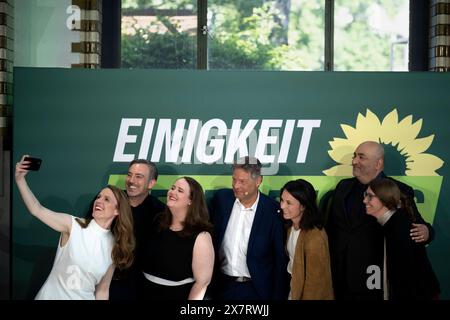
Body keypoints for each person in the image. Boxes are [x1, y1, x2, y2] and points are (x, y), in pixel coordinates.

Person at [15, 155, 134, 300]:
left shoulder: (115, 245)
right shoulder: (73, 225)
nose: (99, 201)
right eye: (99, 197)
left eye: (107, 199)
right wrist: (20, 180)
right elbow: (36, 209)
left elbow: (102, 291)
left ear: (117, 211)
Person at [326, 141, 435, 300]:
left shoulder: (398, 190)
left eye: (361, 157)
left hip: (374, 278)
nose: (354, 161)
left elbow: (414, 225)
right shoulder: (343, 187)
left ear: (378, 163)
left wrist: (427, 232)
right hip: (340, 274)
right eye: (354, 156)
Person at [209, 156, 288, 300]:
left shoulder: (272, 211)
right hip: (221, 286)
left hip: (256, 290)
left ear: (258, 181)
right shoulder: (222, 199)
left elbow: (279, 260)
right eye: (234, 179)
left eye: (242, 181)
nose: (236, 185)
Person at [364, 178, 440, 299]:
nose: (364, 200)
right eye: (365, 195)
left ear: (385, 200)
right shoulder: (390, 224)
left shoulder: (399, 228)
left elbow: (407, 280)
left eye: (370, 196)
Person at [140, 177, 214, 300]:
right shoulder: (157, 221)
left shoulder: (201, 237)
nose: (172, 192)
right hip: (143, 293)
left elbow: (202, 283)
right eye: (173, 188)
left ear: (191, 200)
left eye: (180, 190)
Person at [109, 159, 166, 300]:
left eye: (139, 176)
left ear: (151, 183)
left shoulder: (160, 213)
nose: (131, 181)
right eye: (129, 175)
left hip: (141, 287)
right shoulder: (109, 200)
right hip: (105, 278)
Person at [280, 179, 334, 300]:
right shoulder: (291, 227)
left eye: (289, 203)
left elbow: (316, 284)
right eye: (282, 200)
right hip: (293, 289)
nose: (282, 206)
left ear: (303, 206)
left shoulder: (315, 237)